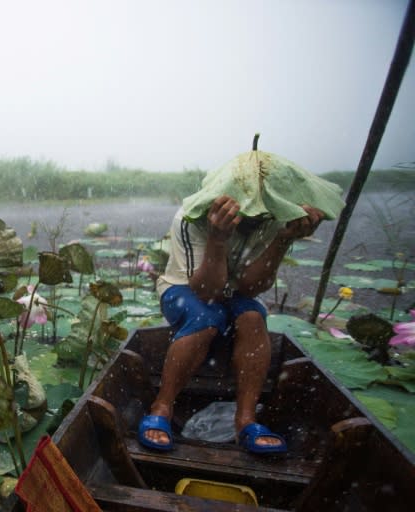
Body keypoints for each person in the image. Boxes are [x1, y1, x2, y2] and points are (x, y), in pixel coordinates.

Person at [140, 139, 345, 454]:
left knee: (252, 316)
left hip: (234, 290)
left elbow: (251, 287)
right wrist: (218, 239)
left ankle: (246, 420)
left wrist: (283, 240)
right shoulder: (191, 217)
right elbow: (205, 291)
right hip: (184, 287)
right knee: (206, 317)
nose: (254, 215)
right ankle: (162, 406)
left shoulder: (274, 219)